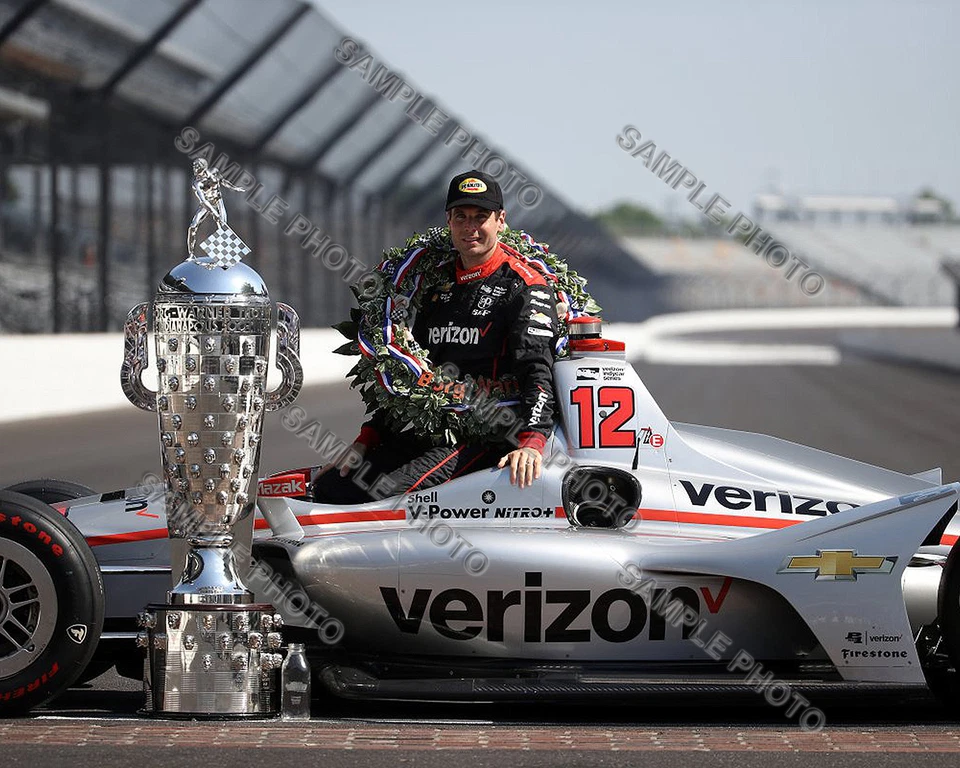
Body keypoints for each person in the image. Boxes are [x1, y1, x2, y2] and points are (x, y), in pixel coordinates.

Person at [311, 170, 558, 504]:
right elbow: (413, 377)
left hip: (485, 434)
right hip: (430, 429)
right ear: (449, 221)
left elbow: (537, 371)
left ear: (501, 221)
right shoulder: (433, 284)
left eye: (481, 217)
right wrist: (367, 438)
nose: (471, 227)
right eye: (461, 217)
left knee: (385, 494)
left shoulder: (524, 286)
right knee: (334, 487)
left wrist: (531, 441)